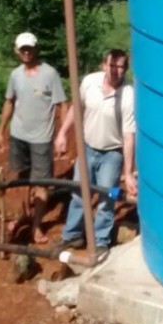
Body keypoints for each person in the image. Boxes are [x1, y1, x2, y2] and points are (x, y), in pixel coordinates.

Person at [55, 49, 137, 252]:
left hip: (112, 154)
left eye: (120, 66)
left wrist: (128, 173)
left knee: (107, 198)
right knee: (79, 193)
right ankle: (72, 235)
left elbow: (128, 136)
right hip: (87, 149)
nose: (116, 70)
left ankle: (101, 241)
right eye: (112, 65)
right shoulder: (90, 82)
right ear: (103, 65)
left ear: (125, 69)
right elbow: (76, 107)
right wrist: (62, 133)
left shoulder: (128, 95)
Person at [0, 31, 66, 244]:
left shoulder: (50, 74)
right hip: (18, 135)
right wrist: (0, 131)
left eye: (29, 48)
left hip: (42, 138)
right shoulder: (15, 75)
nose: (26, 52)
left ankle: (36, 226)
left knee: (41, 183)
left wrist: (62, 135)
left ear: (36, 49)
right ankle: (23, 216)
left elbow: (62, 105)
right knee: (22, 179)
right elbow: (9, 102)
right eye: (23, 49)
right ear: (17, 51)